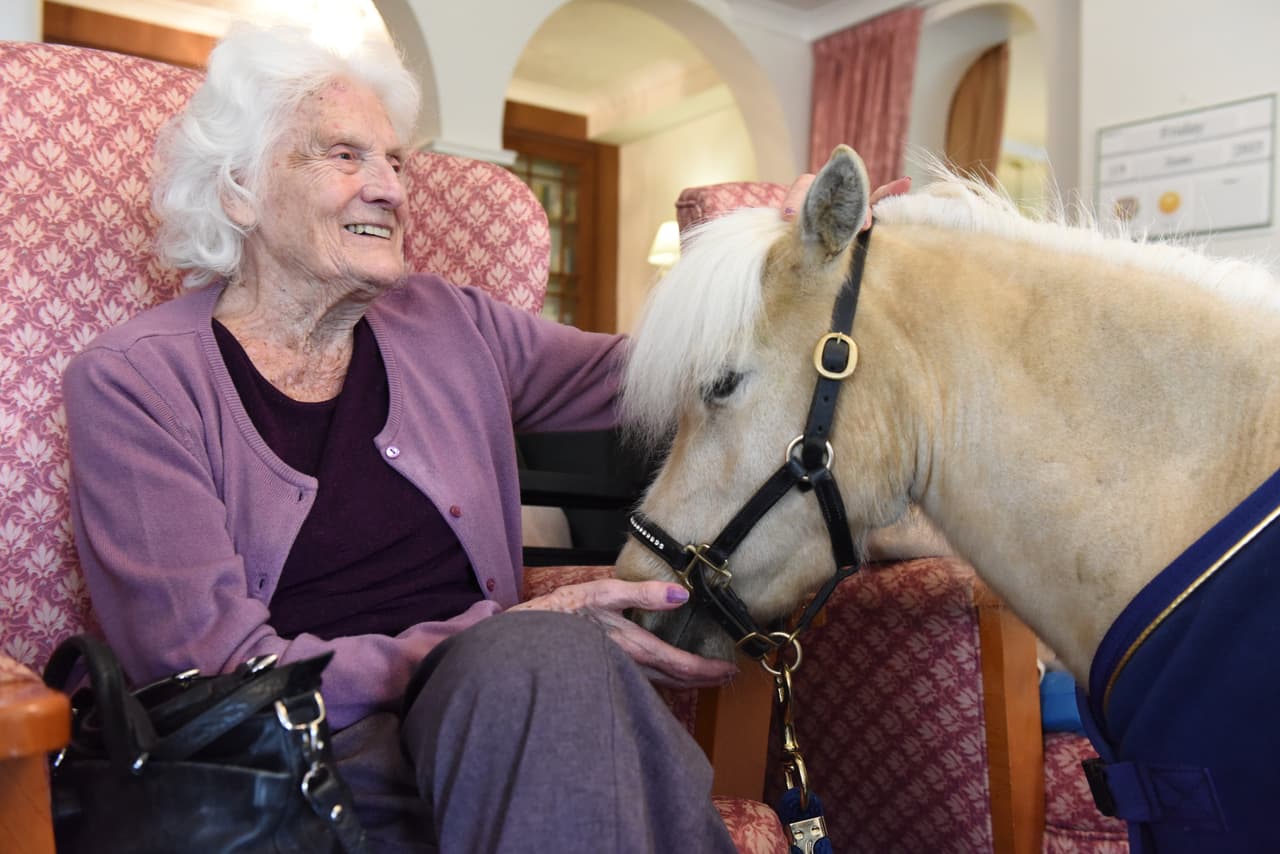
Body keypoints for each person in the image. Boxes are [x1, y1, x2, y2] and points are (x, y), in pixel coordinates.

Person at [63, 21, 903, 854]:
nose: (390, 187)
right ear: (237, 188)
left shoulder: (448, 322)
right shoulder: (135, 382)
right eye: (345, 156)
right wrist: (491, 641)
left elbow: (674, 372)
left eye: (396, 161)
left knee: (554, 676)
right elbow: (214, 675)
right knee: (555, 671)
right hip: (301, 769)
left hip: (505, 715)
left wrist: (795, 259)